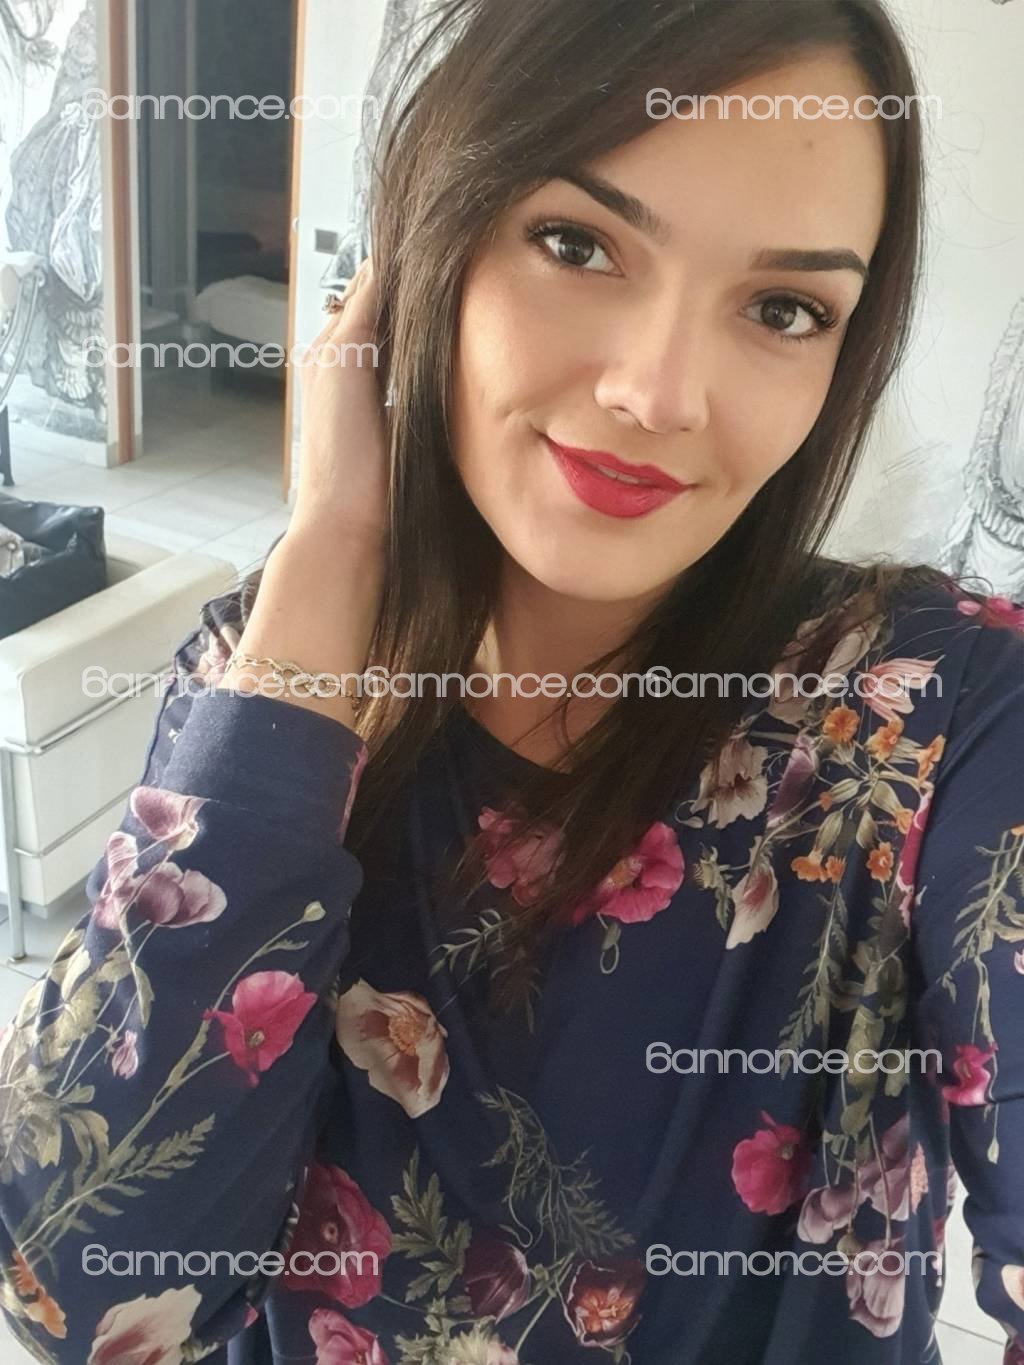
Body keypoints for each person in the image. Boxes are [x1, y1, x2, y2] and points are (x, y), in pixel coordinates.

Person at [2, 2, 1024, 1361]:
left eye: (783, 308)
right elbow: (79, 1290)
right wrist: (331, 550)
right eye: (578, 244)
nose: (658, 392)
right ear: (428, 250)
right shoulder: (267, 685)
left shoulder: (942, 714)